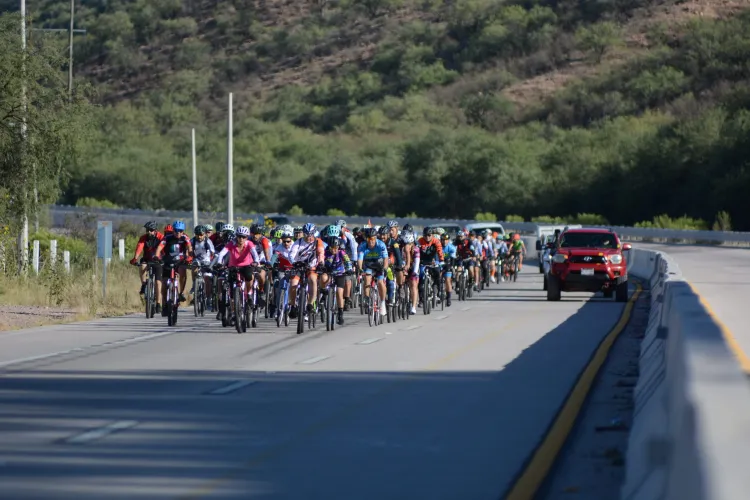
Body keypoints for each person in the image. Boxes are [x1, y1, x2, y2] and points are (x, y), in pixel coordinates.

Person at [209, 225, 260, 317]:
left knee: (249, 276)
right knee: (231, 287)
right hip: (233, 267)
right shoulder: (231, 243)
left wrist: (256, 261)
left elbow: (255, 254)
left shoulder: (249, 244)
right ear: (236, 236)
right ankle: (234, 312)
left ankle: (249, 294)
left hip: (246, 265)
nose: (241, 239)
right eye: (239, 236)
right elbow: (221, 253)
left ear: (246, 237)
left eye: (243, 237)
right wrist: (220, 263)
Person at [288, 223, 325, 320]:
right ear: (303, 234)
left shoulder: (318, 242)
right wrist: (294, 262)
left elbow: (321, 253)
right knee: (293, 283)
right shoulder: (298, 242)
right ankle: (292, 306)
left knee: (313, 280)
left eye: (311, 235)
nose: (309, 237)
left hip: (311, 267)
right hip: (299, 266)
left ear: (314, 234)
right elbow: (291, 254)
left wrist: (321, 263)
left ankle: (310, 304)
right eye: (306, 235)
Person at [154, 220, 193, 309]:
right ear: (173, 230)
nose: (178, 233)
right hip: (168, 261)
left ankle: (180, 293)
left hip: (180, 261)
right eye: (176, 231)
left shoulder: (185, 238)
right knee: (164, 284)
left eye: (180, 231)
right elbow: (160, 247)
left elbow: (189, 247)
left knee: (182, 271)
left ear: (183, 231)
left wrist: (190, 257)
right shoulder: (167, 238)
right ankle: (164, 302)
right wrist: (156, 256)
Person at [320, 225, 353, 325]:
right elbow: (321, 261)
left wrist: (349, 269)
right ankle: (324, 293)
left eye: (336, 248)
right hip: (329, 272)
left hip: (340, 273)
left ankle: (340, 313)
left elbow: (347, 261)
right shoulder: (325, 253)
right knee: (323, 278)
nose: (334, 250)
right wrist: (322, 266)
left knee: (339, 292)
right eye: (332, 248)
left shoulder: (341, 253)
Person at [130, 221, 164, 314]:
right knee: (142, 266)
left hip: (158, 261)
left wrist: (164, 259)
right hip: (147, 259)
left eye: (151, 230)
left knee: (158, 282)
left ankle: (158, 304)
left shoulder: (161, 237)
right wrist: (135, 258)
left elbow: (164, 247)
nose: (149, 232)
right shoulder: (143, 238)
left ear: (155, 230)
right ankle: (144, 284)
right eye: (147, 230)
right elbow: (139, 248)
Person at [357, 226, 390, 316]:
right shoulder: (362, 246)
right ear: (366, 239)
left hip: (379, 264)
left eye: (373, 238)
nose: (371, 241)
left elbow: (386, 259)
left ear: (376, 238)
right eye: (369, 238)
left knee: (380, 282)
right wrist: (360, 269)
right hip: (368, 264)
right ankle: (367, 298)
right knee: (367, 278)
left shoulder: (381, 245)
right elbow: (360, 259)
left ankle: (382, 302)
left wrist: (385, 269)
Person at [190, 225, 215, 308]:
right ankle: (194, 285)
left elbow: (213, 252)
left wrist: (213, 262)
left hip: (206, 260)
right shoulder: (192, 241)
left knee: (207, 278)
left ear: (204, 234)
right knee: (193, 268)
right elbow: (188, 250)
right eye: (197, 234)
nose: (199, 236)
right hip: (197, 260)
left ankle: (208, 297)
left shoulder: (208, 241)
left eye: (201, 234)